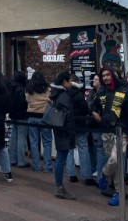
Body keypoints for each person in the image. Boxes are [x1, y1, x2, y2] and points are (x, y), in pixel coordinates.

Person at [90, 67, 128, 206]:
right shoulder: (101, 92)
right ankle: (118, 192)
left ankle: (104, 174)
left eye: (107, 75)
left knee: (115, 159)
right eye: (103, 75)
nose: (105, 78)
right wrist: (95, 115)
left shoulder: (125, 91)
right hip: (106, 132)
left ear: (113, 75)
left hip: (121, 132)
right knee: (116, 165)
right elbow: (93, 107)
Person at [51, 71, 76, 200]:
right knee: (61, 157)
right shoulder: (64, 96)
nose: (71, 83)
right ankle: (59, 186)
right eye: (70, 81)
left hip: (59, 128)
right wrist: (72, 133)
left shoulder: (57, 94)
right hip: (65, 130)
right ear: (64, 82)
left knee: (60, 157)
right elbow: (69, 116)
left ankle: (59, 185)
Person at [65, 74, 94, 186]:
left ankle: (71, 174)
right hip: (80, 124)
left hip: (68, 125)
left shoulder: (64, 94)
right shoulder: (79, 94)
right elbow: (85, 109)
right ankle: (87, 176)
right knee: (83, 148)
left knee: (69, 149)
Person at [26, 71, 53, 173]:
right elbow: (51, 101)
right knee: (47, 142)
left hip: (32, 117)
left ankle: (36, 166)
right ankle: (47, 166)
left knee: (33, 142)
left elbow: (27, 100)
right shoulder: (48, 90)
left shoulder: (29, 91)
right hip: (44, 118)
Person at [8, 70, 29, 168]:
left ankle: (12, 159)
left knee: (13, 137)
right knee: (21, 137)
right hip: (22, 115)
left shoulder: (11, 88)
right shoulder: (21, 89)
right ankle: (21, 161)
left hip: (13, 115)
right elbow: (22, 103)